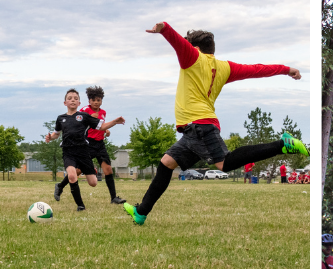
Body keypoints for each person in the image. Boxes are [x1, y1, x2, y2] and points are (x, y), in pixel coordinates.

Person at [124, 21, 309, 225]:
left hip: (200, 126)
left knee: (225, 163)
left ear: (195, 48)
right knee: (167, 163)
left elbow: (178, 43)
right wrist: (287, 69)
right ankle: (141, 212)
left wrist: (165, 29)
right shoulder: (224, 67)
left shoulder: (193, 57)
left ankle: (283, 145)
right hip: (194, 129)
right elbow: (257, 69)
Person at [45, 88, 126, 212]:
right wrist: (50, 137)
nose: (73, 100)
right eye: (70, 98)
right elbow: (56, 133)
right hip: (70, 151)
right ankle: (80, 206)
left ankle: (89, 177)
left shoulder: (84, 116)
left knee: (93, 182)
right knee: (72, 175)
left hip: (85, 150)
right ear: (65, 103)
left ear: (79, 102)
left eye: (75, 98)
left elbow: (101, 126)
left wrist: (115, 122)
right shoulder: (61, 118)